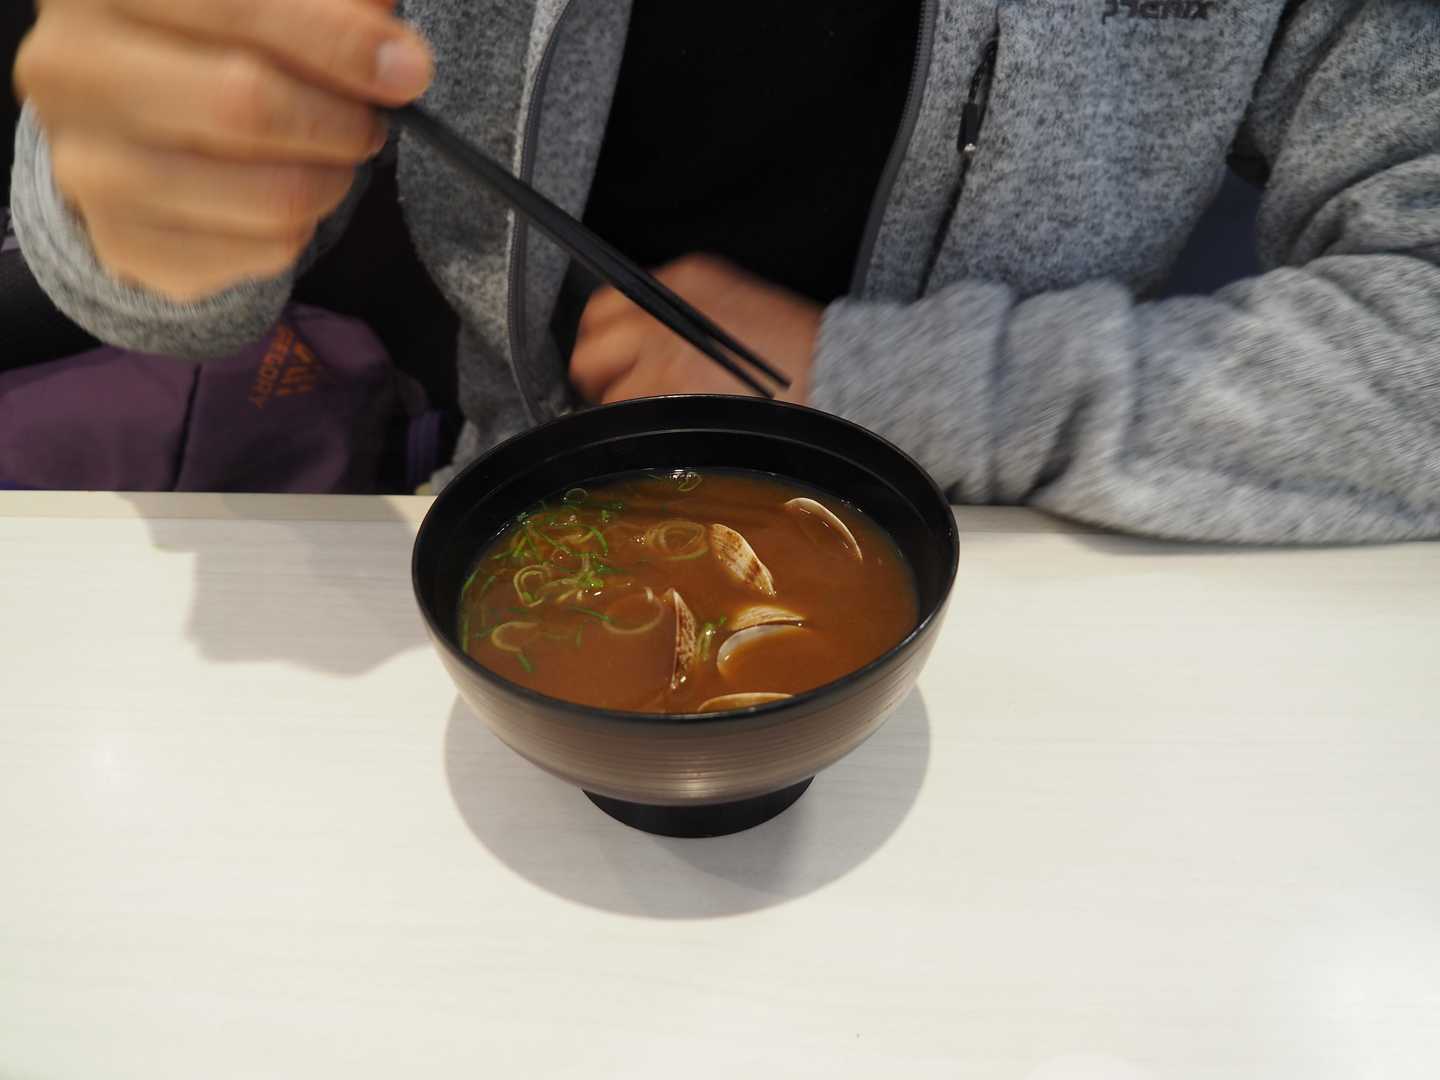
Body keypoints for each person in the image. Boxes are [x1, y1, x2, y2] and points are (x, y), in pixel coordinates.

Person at [10, 0, 1439, 542]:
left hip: (1034, 550)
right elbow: (150, 281)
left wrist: (874, 384)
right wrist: (132, 184)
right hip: (519, 529)